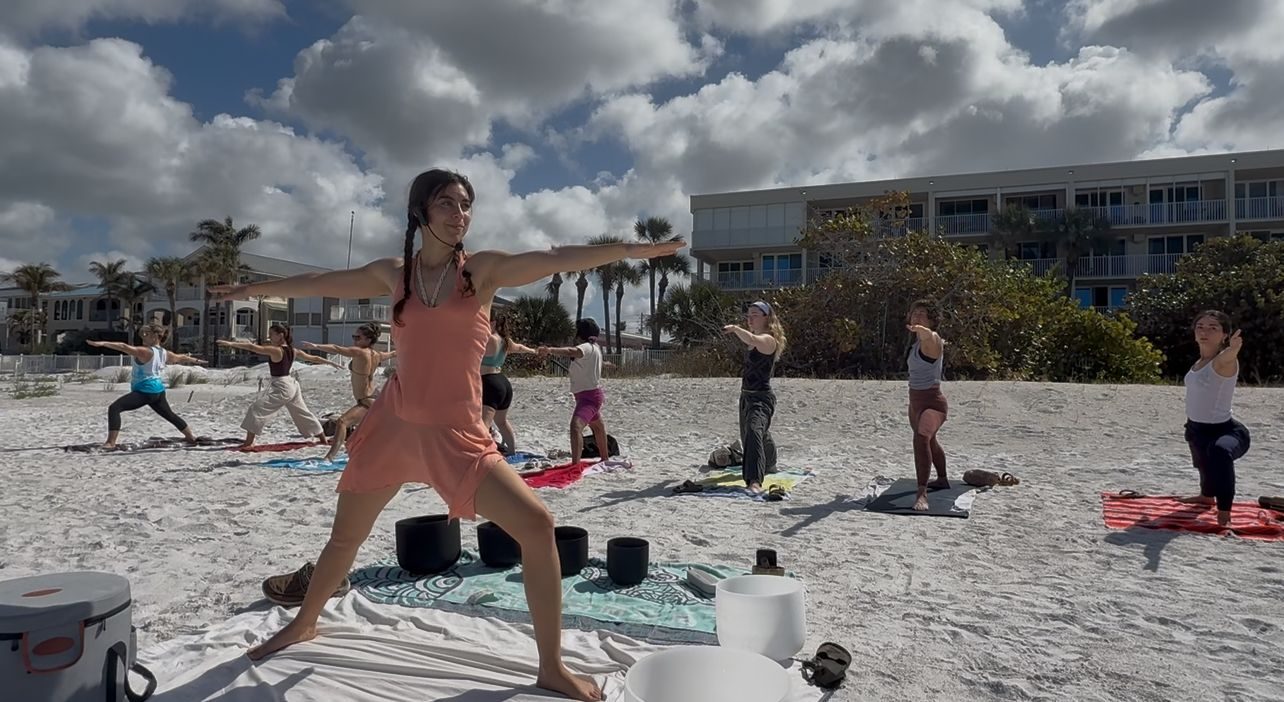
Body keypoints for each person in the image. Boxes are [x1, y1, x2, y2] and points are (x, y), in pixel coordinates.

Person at [210, 168, 681, 701]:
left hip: (457, 433)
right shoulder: (397, 275)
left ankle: (551, 666)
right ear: (421, 212)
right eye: (447, 204)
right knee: (346, 537)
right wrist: (253, 288)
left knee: (537, 525)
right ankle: (305, 622)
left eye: (466, 205)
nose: (461, 215)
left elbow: (554, 258)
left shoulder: (481, 272)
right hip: (393, 423)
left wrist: (628, 250)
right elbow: (320, 282)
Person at [217, 324, 338, 450]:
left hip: (283, 386)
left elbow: (252, 347)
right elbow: (313, 358)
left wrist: (230, 344)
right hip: (292, 384)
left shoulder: (276, 350)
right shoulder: (293, 350)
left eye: (271, 334)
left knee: (256, 409)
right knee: (302, 412)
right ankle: (323, 439)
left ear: (280, 335)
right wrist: (329, 362)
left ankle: (249, 443)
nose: (269, 337)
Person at [1178, 310, 1248, 527]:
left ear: (1224, 335)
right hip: (1198, 428)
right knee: (1202, 461)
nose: (1204, 331)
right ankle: (1206, 496)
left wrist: (1233, 349)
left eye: (1213, 327)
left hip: (1227, 431)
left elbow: (1227, 357)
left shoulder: (1222, 362)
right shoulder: (1199, 363)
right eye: (1200, 326)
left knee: (1218, 452)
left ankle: (1224, 511)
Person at [88, 324, 207, 449]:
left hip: (145, 391)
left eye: (147, 334)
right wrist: (196, 361)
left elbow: (123, 347)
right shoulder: (165, 353)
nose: (144, 337)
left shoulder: (145, 352)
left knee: (114, 408)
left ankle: (110, 443)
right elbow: (180, 358)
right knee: (170, 415)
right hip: (158, 391)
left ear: (155, 336)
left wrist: (102, 343)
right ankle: (190, 437)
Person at [299, 323, 398, 461]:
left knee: (342, 422)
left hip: (367, 400)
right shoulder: (377, 355)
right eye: (354, 337)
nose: (355, 340)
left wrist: (316, 346)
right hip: (373, 397)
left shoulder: (360, 352)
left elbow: (336, 348)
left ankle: (330, 457)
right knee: (363, 433)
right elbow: (394, 353)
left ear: (368, 340)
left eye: (358, 337)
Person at [722, 301, 786, 492]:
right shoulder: (756, 338)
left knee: (753, 432)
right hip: (746, 397)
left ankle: (754, 481)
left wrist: (735, 329)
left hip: (761, 398)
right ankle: (770, 462)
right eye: (748, 315)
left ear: (766, 318)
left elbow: (750, 339)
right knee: (756, 434)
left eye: (755, 315)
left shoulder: (769, 340)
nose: (750, 319)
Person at [539, 319, 611, 464]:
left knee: (575, 427)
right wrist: (607, 364)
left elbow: (571, 351)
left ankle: (575, 464)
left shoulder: (586, 347)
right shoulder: (595, 348)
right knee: (598, 426)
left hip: (588, 397)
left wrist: (550, 350)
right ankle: (604, 458)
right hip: (592, 395)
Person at [906, 300, 950, 511]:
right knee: (930, 442)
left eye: (923, 314)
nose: (917, 317)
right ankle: (942, 479)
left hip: (933, 404)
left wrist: (925, 331)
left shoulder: (933, 341)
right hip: (915, 402)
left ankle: (921, 492)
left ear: (932, 320)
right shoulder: (915, 345)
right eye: (915, 313)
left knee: (922, 437)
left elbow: (929, 337)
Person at [482, 308, 537, 455]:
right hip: (503, 383)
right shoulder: (504, 340)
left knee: (483, 425)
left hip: (489, 383)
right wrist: (533, 351)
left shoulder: (489, 339)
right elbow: (519, 347)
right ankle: (512, 451)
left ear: (492, 323)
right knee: (502, 422)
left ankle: (484, 454)